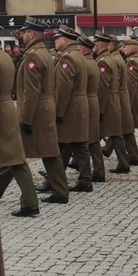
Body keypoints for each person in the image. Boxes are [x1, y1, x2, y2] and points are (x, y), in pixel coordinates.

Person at [0, 20, 39, 217]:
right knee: (15, 159)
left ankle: (28, 203)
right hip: (6, 109)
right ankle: (30, 202)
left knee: (13, 159)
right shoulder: (4, 56)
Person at [18, 16, 69, 204]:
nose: (22, 35)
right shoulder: (45, 53)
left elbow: (32, 91)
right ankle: (60, 191)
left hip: (37, 110)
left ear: (31, 34)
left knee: (17, 153)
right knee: (50, 152)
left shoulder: (33, 55)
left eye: (24, 32)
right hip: (45, 107)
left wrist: (25, 118)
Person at [53, 25, 92, 192]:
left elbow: (63, 89)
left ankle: (56, 181)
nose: (55, 41)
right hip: (80, 105)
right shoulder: (79, 55)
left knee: (63, 145)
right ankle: (85, 180)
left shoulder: (67, 58)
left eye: (57, 38)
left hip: (70, 108)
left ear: (65, 40)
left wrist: (58, 112)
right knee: (80, 145)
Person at [93, 31, 130, 174]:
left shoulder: (103, 61)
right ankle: (123, 162)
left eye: (96, 43)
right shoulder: (110, 58)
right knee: (115, 133)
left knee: (103, 134)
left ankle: (89, 165)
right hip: (113, 99)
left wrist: (100, 109)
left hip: (108, 101)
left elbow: (102, 87)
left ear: (99, 44)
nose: (94, 46)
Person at [105, 35, 138, 165]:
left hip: (119, 96)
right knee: (124, 128)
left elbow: (128, 82)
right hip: (122, 95)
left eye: (125, 46)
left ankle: (127, 158)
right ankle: (131, 156)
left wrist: (128, 101)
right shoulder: (119, 58)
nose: (123, 48)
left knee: (119, 128)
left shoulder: (115, 59)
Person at [78, 33, 106, 182]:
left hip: (87, 102)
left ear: (82, 50)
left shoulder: (86, 64)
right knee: (92, 138)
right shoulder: (93, 62)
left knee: (86, 138)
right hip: (92, 101)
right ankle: (98, 170)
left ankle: (93, 171)